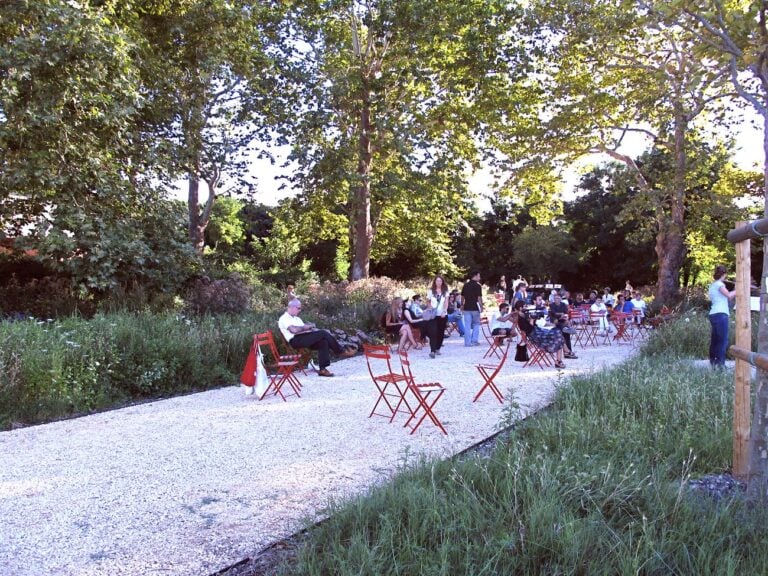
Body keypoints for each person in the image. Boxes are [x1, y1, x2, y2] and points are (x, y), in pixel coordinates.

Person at [278, 299, 355, 377]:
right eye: (299, 308)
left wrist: (307, 329)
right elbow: (294, 330)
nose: (300, 310)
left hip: (304, 338)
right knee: (323, 333)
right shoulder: (284, 318)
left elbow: (303, 330)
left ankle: (322, 369)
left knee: (323, 341)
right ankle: (340, 351)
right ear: (292, 307)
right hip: (295, 340)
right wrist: (306, 327)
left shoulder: (297, 319)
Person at [514, 300, 567, 368]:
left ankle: (559, 359)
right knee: (558, 334)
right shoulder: (520, 317)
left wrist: (534, 318)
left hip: (537, 332)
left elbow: (532, 324)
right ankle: (560, 358)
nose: (526, 307)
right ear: (520, 308)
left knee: (558, 333)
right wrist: (532, 320)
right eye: (524, 306)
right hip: (535, 335)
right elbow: (529, 328)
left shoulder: (523, 315)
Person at [708, 264, 735, 368]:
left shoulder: (713, 285)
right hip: (720, 314)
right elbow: (729, 296)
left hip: (714, 314)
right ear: (724, 274)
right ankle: (720, 364)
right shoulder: (719, 284)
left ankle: (713, 362)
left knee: (715, 339)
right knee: (722, 340)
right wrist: (739, 289)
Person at [548, 292, 578, 359]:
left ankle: (568, 352)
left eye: (558, 298)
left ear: (561, 299)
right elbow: (552, 313)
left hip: (562, 321)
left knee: (566, 333)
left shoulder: (563, 305)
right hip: (555, 322)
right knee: (564, 329)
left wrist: (562, 316)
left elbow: (566, 313)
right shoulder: (551, 305)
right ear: (554, 299)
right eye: (555, 298)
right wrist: (560, 315)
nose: (557, 300)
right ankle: (568, 352)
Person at [426, 276, 450, 358]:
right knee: (433, 331)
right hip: (433, 315)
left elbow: (446, 302)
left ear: (442, 282)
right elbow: (428, 301)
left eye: (440, 281)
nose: (439, 282)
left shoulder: (445, 291)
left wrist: (444, 311)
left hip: (442, 314)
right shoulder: (431, 291)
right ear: (435, 282)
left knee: (440, 332)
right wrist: (430, 307)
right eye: (437, 281)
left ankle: (438, 348)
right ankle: (432, 350)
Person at [461, 271, 483, 347]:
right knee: (476, 324)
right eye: (479, 276)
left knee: (467, 325)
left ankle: (467, 342)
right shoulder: (478, 286)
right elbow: (479, 297)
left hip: (467, 307)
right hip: (475, 307)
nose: (479, 278)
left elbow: (462, 296)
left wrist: (462, 304)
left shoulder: (465, 285)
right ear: (475, 276)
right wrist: (481, 306)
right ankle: (474, 340)